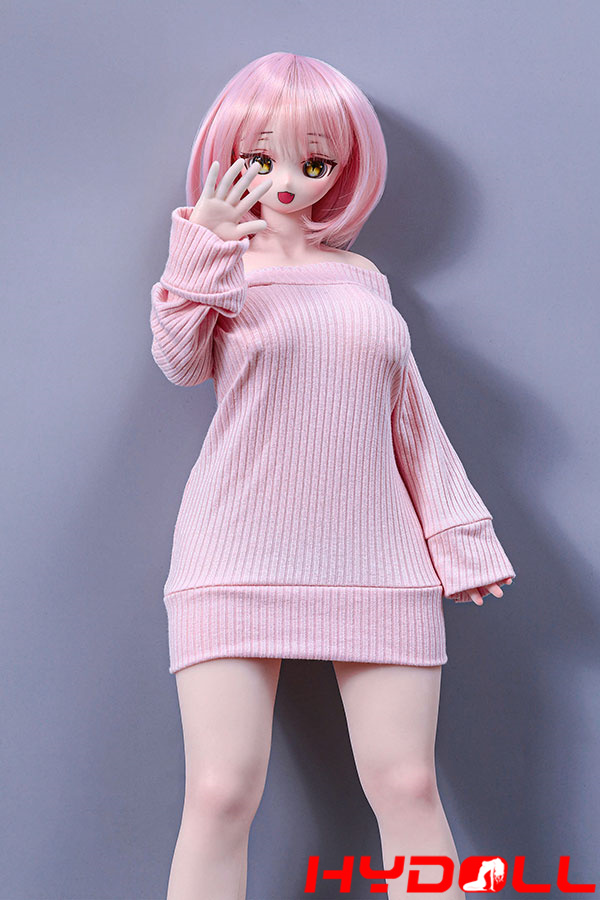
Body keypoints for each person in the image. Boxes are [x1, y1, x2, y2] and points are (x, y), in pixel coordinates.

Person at [150, 51, 516, 900]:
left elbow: (408, 416)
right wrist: (203, 242)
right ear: (226, 155)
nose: (287, 182)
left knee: (408, 785)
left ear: (343, 168)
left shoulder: (362, 279)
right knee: (219, 794)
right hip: (234, 549)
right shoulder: (215, 268)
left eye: (314, 164)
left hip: (377, 555)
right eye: (261, 159)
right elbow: (180, 363)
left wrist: (459, 538)